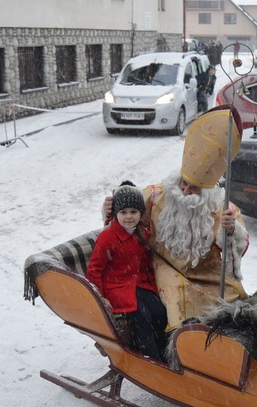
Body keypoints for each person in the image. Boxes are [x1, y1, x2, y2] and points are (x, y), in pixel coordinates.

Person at [102, 107, 249, 330]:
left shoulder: (224, 209)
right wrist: (109, 209)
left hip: (206, 274)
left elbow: (238, 248)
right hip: (164, 264)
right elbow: (125, 214)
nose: (185, 191)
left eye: (194, 188)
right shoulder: (155, 195)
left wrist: (231, 230)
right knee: (178, 301)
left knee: (234, 297)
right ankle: (182, 349)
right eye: (183, 183)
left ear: (207, 190)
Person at [87, 181, 168, 361]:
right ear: (116, 214)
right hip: (117, 287)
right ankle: (149, 354)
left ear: (141, 213)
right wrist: (101, 297)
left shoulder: (141, 233)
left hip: (138, 284)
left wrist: (152, 284)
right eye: (123, 212)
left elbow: (145, 262)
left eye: (133, 212)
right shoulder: (108, 237)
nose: (129, 217)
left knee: (160, 311)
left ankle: (164, 349)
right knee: (143, 316)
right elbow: (95, 270)